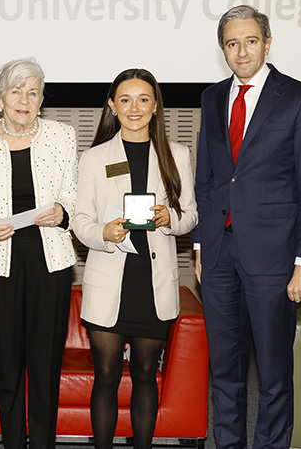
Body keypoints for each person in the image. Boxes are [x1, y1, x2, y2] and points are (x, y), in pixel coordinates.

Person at [192, 5, 301, 449]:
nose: (241, 51)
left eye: (250, 41)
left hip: (274, 257)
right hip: (218, 254)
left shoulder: (300, 99)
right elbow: (207, 178)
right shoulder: (212, 97)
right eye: (232, 43)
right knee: (224, 371)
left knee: (273, 373)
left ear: (267, 43)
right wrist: (199, 245)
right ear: (223, 50)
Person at [72, 69, 198, 449]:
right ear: (112, 106)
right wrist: (103, 233)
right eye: (125, 100)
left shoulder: (177, 154)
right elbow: (80, 221)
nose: (134, 108)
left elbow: (191, 215)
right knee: (107, 376)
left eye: (144, 99)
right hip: (109, 281)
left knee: (145, 374)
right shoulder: (94, 158)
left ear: (156, 106)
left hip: (153, 284)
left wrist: (170, 217)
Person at [0, 58, 77, 449]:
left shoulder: (62, 136)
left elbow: (73, 194)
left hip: (50, 259)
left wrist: (62, 211)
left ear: (42, 99)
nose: (24, 100)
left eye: (33, 92)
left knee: (45, 363)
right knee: (7, 363)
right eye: (15, 91)